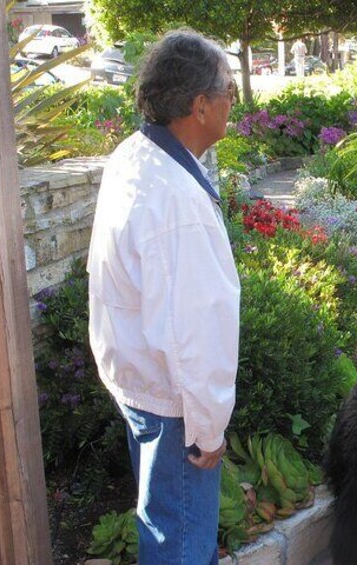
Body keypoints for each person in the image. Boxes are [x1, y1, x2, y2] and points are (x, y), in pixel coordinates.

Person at [87, 29, 240, 564]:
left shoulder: (134, 155)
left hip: (140, 387)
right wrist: (207, 430)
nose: (233, 102)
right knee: (178, 546)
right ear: (200, 105)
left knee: (160, 526)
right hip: (174, 409)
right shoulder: (175, 201)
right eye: (229, 90)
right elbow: (192, 333)